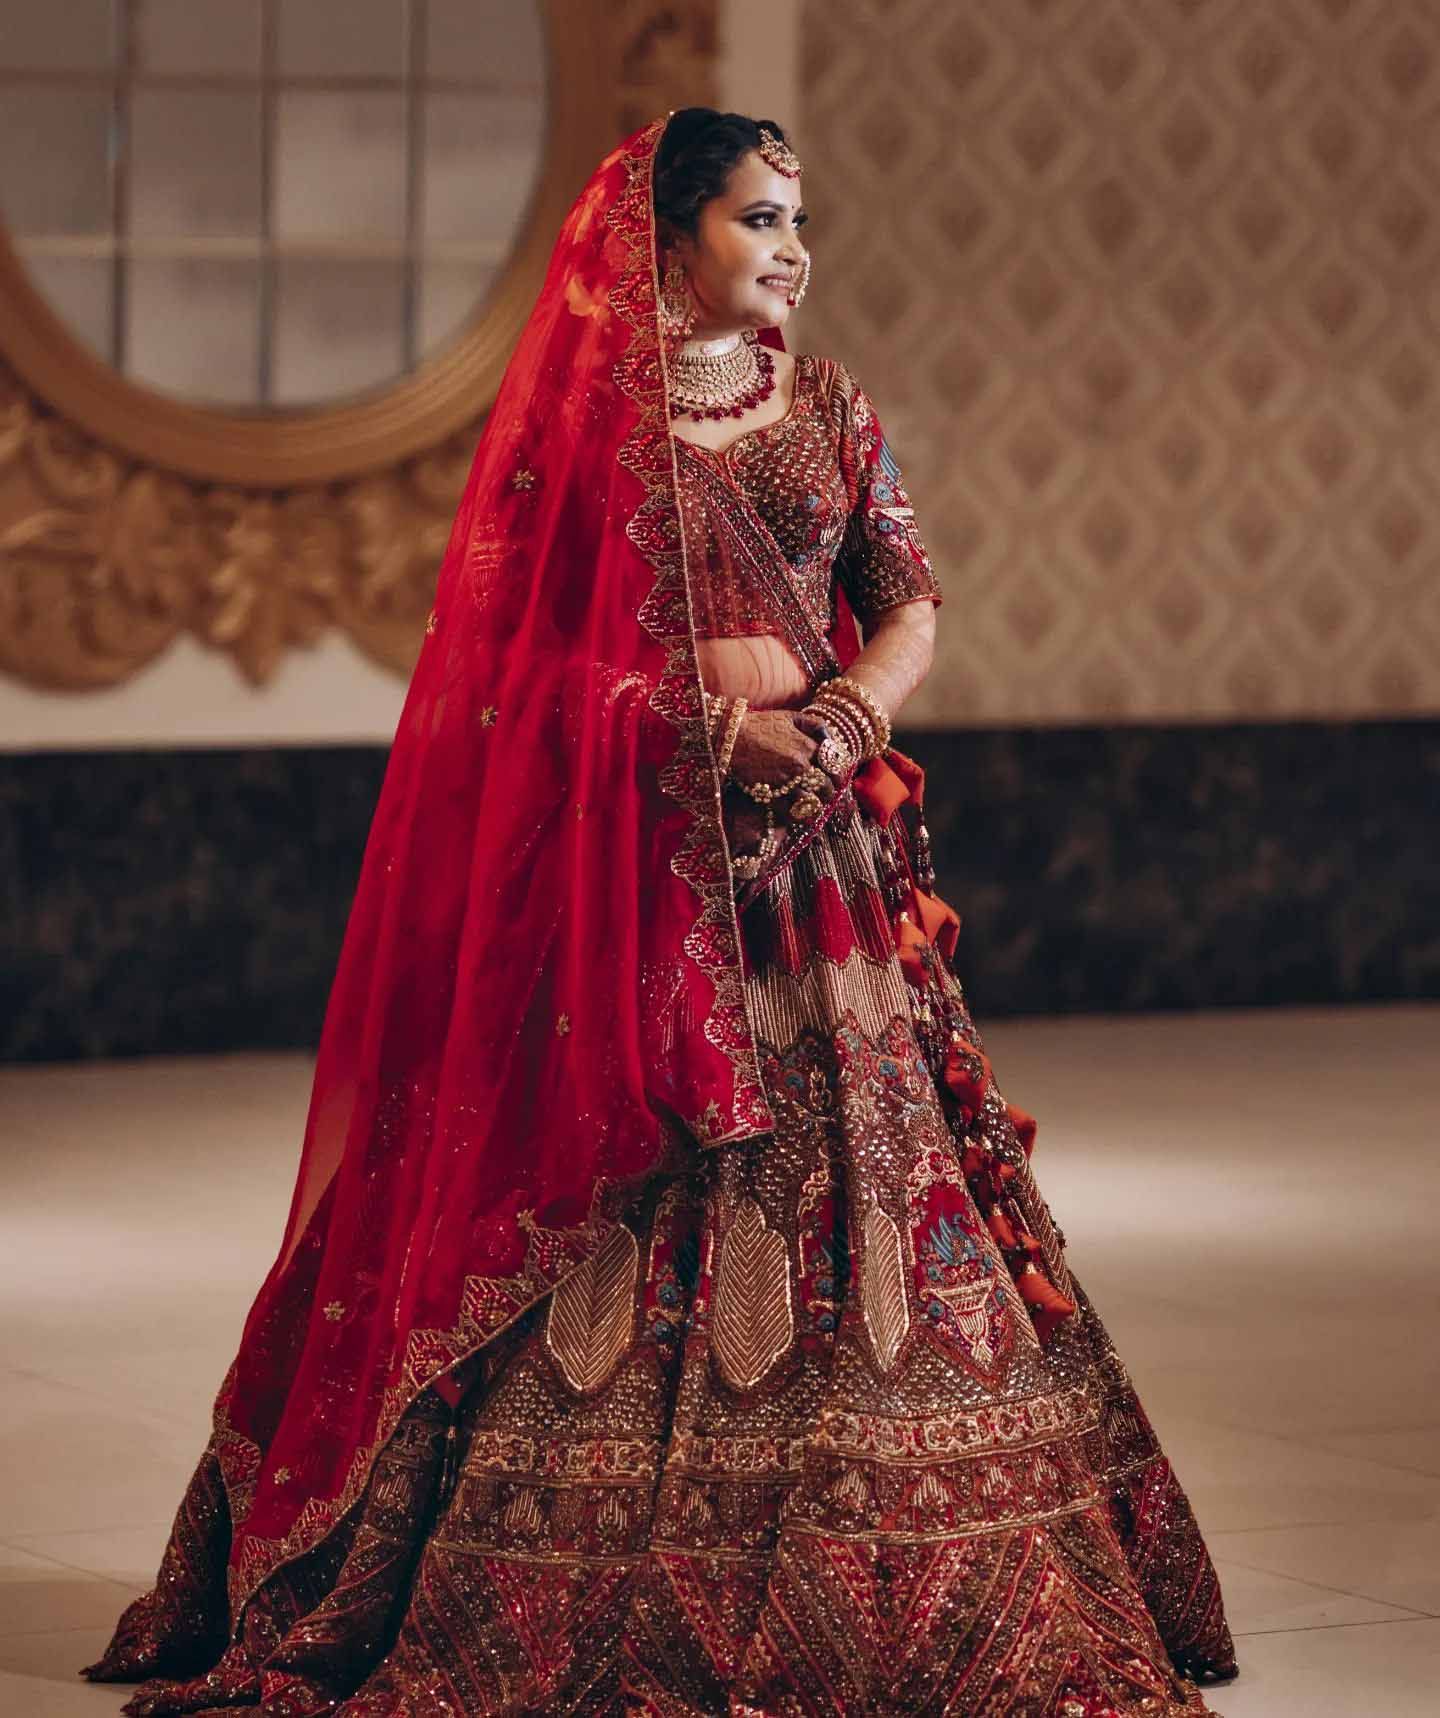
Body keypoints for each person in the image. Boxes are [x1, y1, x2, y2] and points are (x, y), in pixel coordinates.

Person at [85, 110, 1237, 1717]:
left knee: (866, 1208)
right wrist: (691, 728)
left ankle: (880, 1554)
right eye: (759, 219)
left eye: (798, 219)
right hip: (635, 878)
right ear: (666, 237)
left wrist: (841, 721)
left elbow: (908, 600)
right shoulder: (589, 431)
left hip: (816, 875)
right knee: (613, 1181)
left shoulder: (829, 412)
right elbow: (515, 673)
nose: (792, 249)